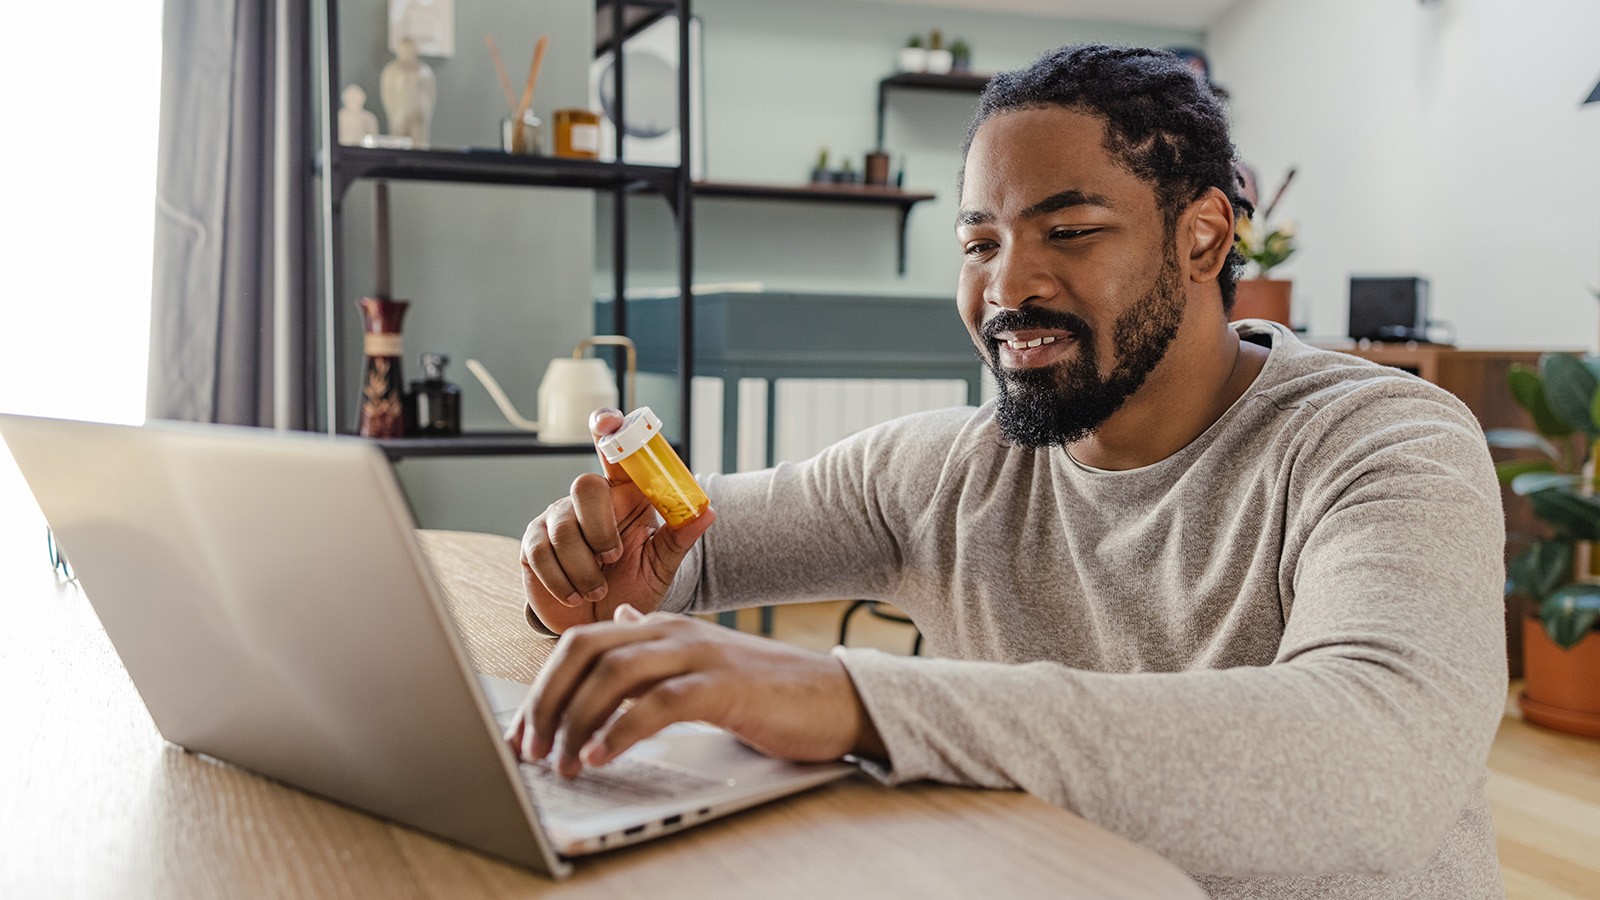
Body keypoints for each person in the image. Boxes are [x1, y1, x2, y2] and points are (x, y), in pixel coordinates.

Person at [506, 45, 1506, 899]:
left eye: (1068, 232)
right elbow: (682, 553)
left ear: (1201, 235)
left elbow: (1377, 762)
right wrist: (596, 575)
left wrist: (851, 703)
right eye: (979, 241)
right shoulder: (944, 469)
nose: (1008, 286)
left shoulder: (1385, 443)